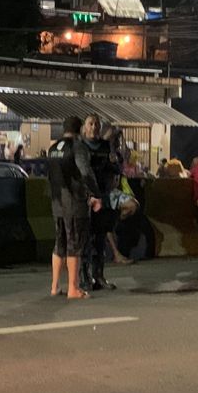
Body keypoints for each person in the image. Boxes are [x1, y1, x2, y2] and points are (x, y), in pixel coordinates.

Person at [47, 116, 102, 299]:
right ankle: (73, 288)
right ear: (80, 130)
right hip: (74, 202)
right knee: (74, 244)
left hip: (57, 203)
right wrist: (95, 193)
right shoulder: (78, 147)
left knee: (59, 243)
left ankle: (54, 286)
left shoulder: (53, 149)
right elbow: (85, 172)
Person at [82, 116, 120, 291]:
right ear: (84, 127)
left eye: (97, 124)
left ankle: (99, 277)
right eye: (91, 123)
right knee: (85, 240)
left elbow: (115, 169)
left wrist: (114, 162)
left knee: (100, 240)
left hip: (102, 197)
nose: (94, 127)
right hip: (85, 199)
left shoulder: (106, 147)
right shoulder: (79, 146)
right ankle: (85, 278)